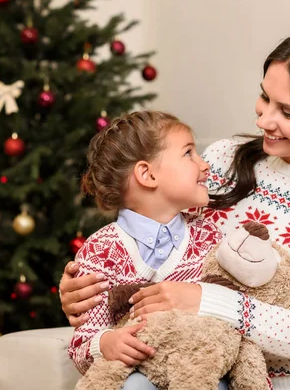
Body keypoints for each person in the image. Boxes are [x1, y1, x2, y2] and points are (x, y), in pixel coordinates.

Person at [60, 27, 290, 389]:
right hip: (189, 359)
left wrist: (205, 299)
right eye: (264, 97)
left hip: (288, 378)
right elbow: (159, 242)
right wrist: (91, 292)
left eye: (287, 112)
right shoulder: (223, 159)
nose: (264, 120)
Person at [67, 110, 236, 389]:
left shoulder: (208, 236)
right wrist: (105, 343)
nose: (204, 165)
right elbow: (81, 344)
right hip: (136, 378)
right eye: (188, 153)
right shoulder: (100, 251)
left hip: (199, 374)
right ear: (147, 174)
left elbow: (228, 320)